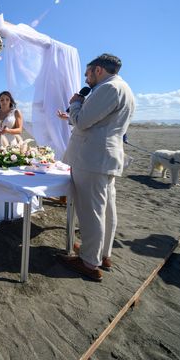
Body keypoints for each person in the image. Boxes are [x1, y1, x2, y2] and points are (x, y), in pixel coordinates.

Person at [58, 54, 135, 282]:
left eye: (87, 72)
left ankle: (89, 262)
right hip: (104, 157)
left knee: (91, 211)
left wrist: (75, 103)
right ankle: (103, 253)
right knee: (106, 209)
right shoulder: (125, 88)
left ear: (99, 70)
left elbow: (81, 121)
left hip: (92, 158)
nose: (85, 77)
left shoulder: (107, 89)